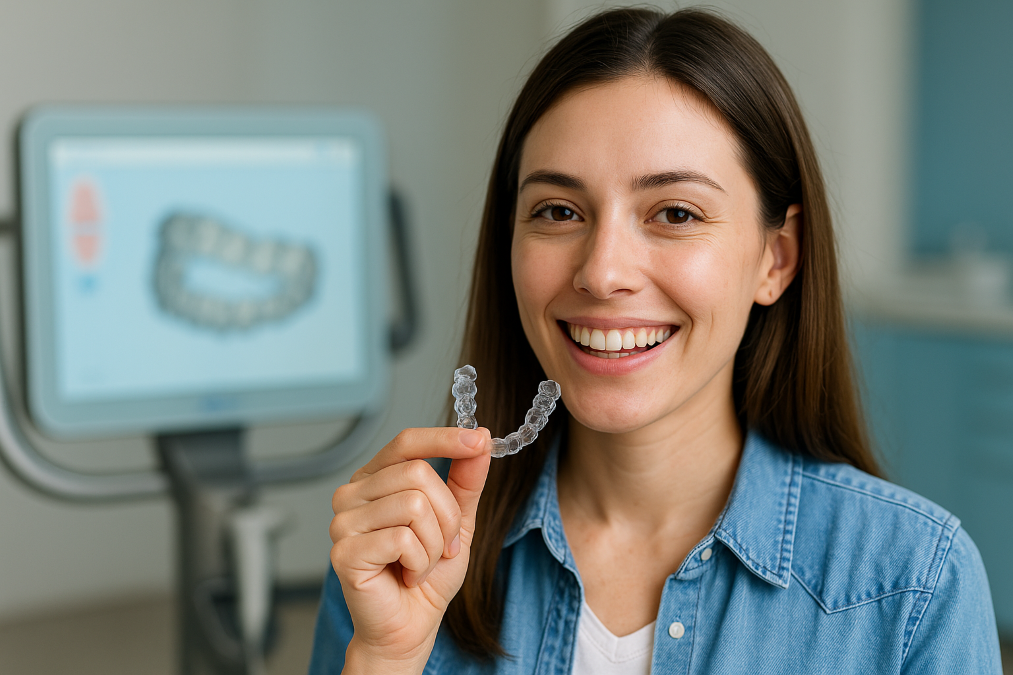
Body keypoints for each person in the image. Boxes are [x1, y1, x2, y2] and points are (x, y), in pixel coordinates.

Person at [308, 8, 1003, 674]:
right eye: (557, 210)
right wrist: (384, 659)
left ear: (777, 258)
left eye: (674, 212)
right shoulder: (402, 542)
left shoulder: (913, 580)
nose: (602, 271)